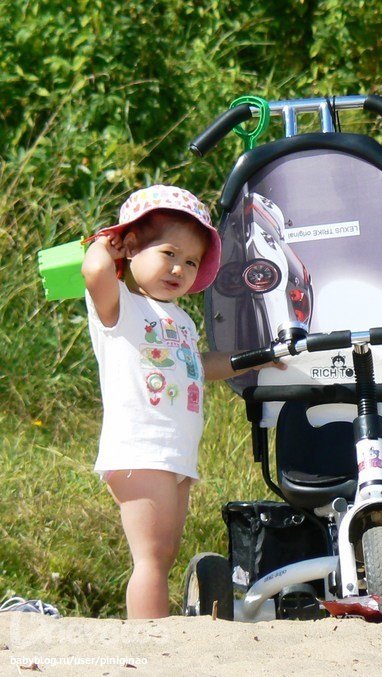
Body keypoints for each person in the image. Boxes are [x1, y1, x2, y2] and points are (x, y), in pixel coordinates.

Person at [82, 184, 278, 619]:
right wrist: (103, 244)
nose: (179, 269)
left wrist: (258, 357)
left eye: (191, 262)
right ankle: (150, 640)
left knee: (164, 554)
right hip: (140, 449)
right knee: (151, 558)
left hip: (175, 453)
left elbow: (199, 365)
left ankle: (158, 634)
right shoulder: (120, 307)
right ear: (130, 245)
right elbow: (94, 272)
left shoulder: (180, 319)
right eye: (169, 253)